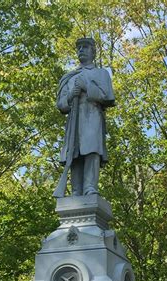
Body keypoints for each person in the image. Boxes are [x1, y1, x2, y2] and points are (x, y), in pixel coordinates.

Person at [55, 38, 115, 197]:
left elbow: (107, 96)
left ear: (93, 52)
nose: (81, 50)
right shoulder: (68, 77)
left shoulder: (101, 73)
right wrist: (69, 97)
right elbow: (61, 105)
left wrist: (87, 87)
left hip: (93, 116)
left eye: (85, 47)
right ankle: (76, 191)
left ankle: (90, 187)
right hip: (74, 119)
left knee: (91, 151)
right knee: (74, 155)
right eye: (79, 47)